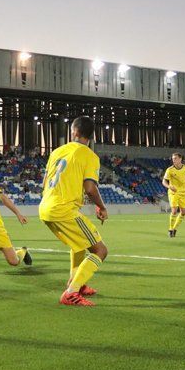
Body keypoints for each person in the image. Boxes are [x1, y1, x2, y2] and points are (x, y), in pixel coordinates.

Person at [39, 116, 109, 307]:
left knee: (78, 245)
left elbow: (44, 182)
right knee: (100, 250)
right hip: (64, 209)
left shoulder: (57, 152)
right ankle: (71, 293)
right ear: (90, 136)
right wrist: (101, 207)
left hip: (45, 207)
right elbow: (90, 188)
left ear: (74, 132)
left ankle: (77, 282)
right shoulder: (89, 156)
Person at [162, 153, 185, 237]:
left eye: (175, 158)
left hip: (183, 192)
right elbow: (164, 181)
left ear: (180, 159)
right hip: (173, 192)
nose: (173, 160)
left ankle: (174, 228)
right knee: (174, 211)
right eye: (173, 159)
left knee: (183, 212)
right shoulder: (170, 170)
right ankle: (170, 229)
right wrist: (169, 186)